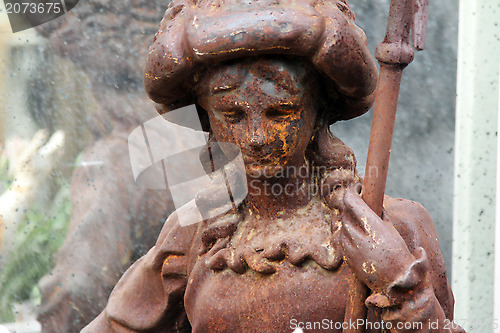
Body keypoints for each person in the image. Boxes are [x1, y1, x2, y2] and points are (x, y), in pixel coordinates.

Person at [84, 0, 465, 332]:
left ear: (319, 112)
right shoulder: (194, 234)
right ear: (205, 119)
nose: (256, 137)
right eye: (231, 115)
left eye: (281, 111)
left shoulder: (390, 226)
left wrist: (398, 279)